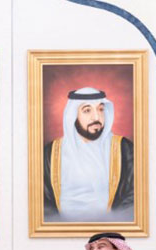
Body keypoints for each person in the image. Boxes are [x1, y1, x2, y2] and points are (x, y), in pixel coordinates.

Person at [43, 88, 134, 220]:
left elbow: (134, 196)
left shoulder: (124, 149)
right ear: (73, 116)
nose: (96, 117)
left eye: (101, 109)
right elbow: (42, 202)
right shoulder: (51, 153)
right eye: (87, 110)